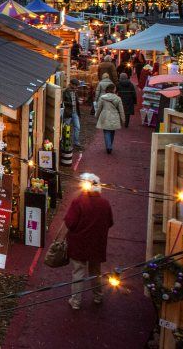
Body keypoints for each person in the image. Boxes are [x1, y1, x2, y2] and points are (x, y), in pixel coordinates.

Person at [65, 173, 114, 310]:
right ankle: (98, 295)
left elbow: (70, 223)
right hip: (97, 243)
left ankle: (76, 301)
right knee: (95, 271)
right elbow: (110, 222)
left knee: (78, 271)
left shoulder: (78, 202)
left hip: (79, 243)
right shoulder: (105, 203)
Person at [95, 87, 125, 155]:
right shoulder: (118, 98)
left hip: (105, 116)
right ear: (114, 90)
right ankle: (110, 145)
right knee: (112, 131)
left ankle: (109, 147)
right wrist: (123, 119)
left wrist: (97, 115)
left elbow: (99, 108)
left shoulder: (102, 98)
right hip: (114, 116)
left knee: (106, 131)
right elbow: (121, 110)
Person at [63, 79, 83, 150]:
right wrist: (70, 104)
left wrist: (78, 101)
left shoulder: (75, 92)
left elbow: (75, 101)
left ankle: (76, 142)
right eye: (75, 85)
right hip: (68, 112)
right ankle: (65, 143)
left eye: (76, 85)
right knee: (66, 128)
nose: (76, 87)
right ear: (71, 84)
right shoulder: (65, 91)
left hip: (75, 112)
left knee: (77, 127)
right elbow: (62, 102)